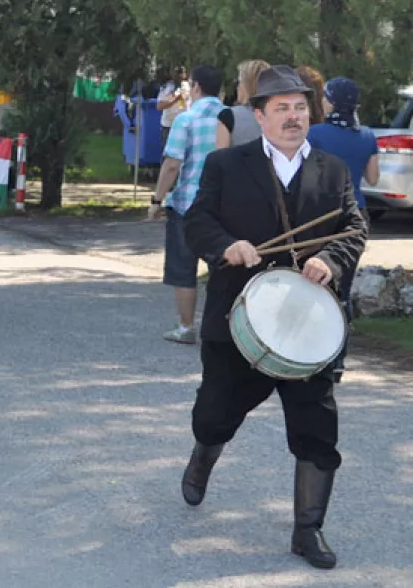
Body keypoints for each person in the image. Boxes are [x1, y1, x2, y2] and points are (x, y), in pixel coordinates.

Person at [181, 65, 366, 570]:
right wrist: (227, 246)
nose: (293, 117)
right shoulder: (226, 165)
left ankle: (308, 531)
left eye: (301, 107)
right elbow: (198, 220)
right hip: (237, 319)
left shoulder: (331, 169)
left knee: (317, 430)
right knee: (214, 415)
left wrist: (330, 260)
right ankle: (204, 456)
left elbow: (353, 227)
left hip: (307, 326)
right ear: (259, 115)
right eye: (282, 108)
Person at [148, 65, 230, 344]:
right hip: (222, 205)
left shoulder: (186, 119)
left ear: (195, 87)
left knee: (183, 268)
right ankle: (221, 326)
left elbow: (172, 164)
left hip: (186, 203)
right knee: (222, 268)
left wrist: (157, 200)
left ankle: (185, 327)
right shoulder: (228, 117)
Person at [307, 76, 379, 381]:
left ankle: (312, 353)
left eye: (326, 96)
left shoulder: (315, 133)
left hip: (322, 214)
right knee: (343, 289)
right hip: (356, 215)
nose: (322, 101)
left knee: (315, 282)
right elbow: (373, 178)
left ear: (332, 101)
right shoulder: (367, 135)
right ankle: (337, 358)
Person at [220, 59, 270, 147]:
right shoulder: (279, 115)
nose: (237, 87)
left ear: (246, 85)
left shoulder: (228, 116)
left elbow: (220, 157)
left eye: (238, 82)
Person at [157, 66, 190, 148]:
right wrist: (175, 99)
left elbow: (185, 101)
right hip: (169, 126)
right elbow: (159, 106)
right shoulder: (168, 87)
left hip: (184, 125)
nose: (181, 75)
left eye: (183, 72)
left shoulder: (188, 86)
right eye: (178, 72)